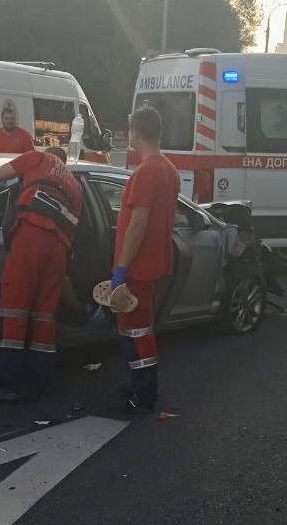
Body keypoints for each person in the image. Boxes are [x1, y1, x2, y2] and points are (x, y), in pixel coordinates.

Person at [0, 146, 82, 401]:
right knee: (45, 314)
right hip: (59, 247)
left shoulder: (37, 157)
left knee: (15, 308)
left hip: (31, 235)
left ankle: (8, 386)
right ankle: (40, 382)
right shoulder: (75, 185)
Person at [110, 106, 180, 414]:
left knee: (136, 332)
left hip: (138, 267)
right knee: (140, 330)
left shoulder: (146, 172)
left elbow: (138, 223)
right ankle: (140, 388)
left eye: (130, 130)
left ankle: (143, 395)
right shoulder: (168, 169)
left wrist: (122, 268)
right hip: (155, 263)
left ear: (136, 132)